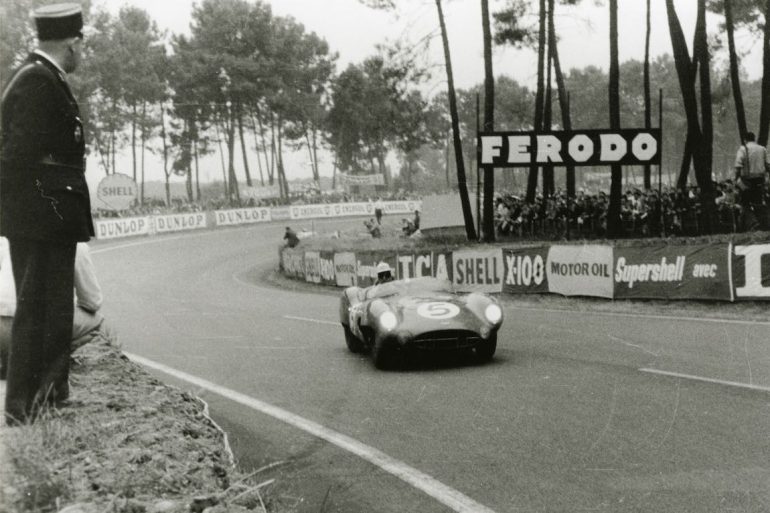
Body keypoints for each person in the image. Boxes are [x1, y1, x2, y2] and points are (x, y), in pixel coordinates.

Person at [0, 3, 94, 424]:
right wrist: (43, 207)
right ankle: (29, 403)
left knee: (51, 307)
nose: (81, 54)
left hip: (44, 215)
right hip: (42, 217)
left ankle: (47, 394)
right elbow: (19, 158)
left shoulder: (39, 76)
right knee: (41, 308)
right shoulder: (39, 80)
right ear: (72, 42)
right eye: (81, 45)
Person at [0, 239, 105, 381]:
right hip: (34, 332)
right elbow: (92, 302)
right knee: (97, 321)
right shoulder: (76, 244)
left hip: (2, 332)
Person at [734, 132, 770, 217]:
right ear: (754, 139)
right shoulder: (762, 149)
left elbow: (738, 166)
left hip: (747, 181)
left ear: (745, 139)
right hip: (760, 180)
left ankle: (752, 222)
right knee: (758, 201)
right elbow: (767, 165)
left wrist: (736, 179)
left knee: (745, 202)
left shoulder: (743, 149)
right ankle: (763, 222)